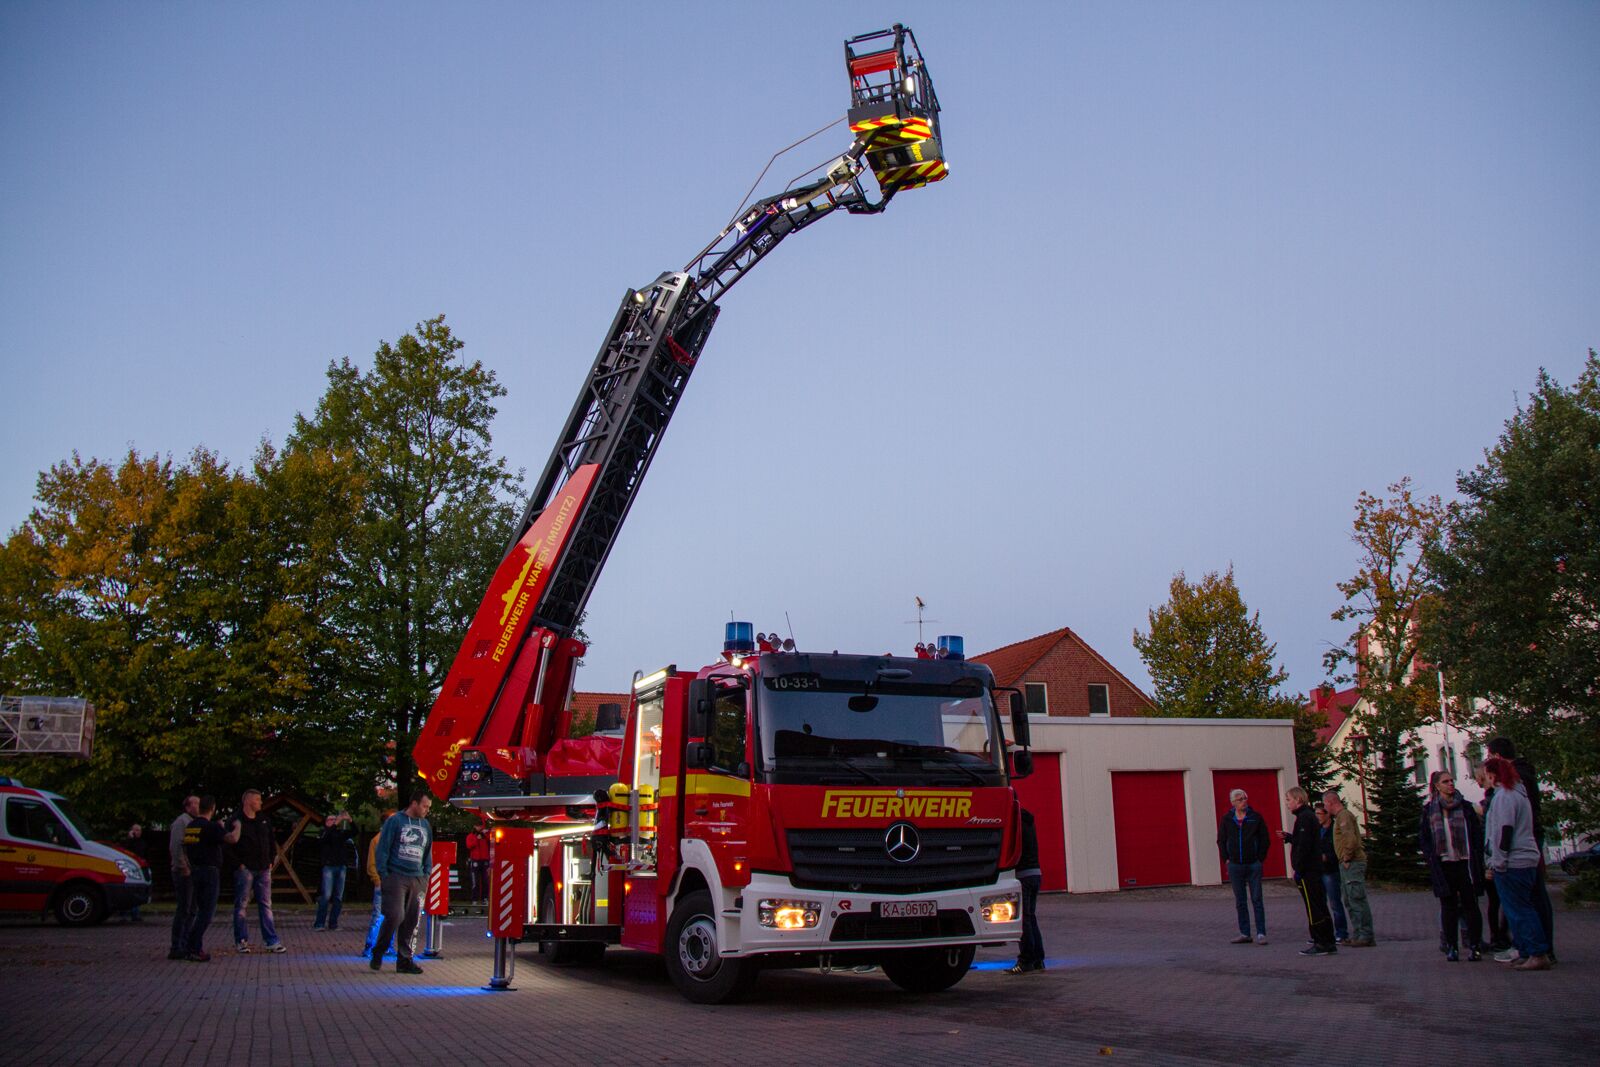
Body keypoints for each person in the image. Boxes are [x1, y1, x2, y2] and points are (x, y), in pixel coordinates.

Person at [1486, 738, 1554, 962]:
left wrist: (1499, 859)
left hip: (1516, 854)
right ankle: (1530, 948)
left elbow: (1504, 830)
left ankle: (1535, 950)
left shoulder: (1508, 793)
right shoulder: (1522, 786)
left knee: (1522, 905)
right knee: (1527, 902)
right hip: (1525, 847)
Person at [1419, 769, 1484, 962]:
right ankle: (1451, 946)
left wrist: (1478, 856)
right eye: (1445, 781)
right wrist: (1431, 857)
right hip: (1444, 862)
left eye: (1451, 781)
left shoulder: (1465, 808)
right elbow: (1424, 837)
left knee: (1470, 904)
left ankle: (1475, 945)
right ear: (1437, 786)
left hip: (1465, 861)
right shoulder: (1430, 810)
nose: (1450, 784)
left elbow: (1476, 833)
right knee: (1448, 906)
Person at [369, 792, 434, 975]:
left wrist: (426, 875)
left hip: (417, 877)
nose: (427, 810)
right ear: (414, 803)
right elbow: (383, 848)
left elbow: (427, 850)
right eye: (425, 806)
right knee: (396, 915)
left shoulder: (425, 825)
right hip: (396, 875)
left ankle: (404, 960)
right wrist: (384, 874)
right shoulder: (395, 821)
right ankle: (379, 950)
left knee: (412, 920)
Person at [181, 796, 239, 962]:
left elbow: (185, 848)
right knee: (207, 912)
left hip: (196, 870)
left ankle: (190, 945)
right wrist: (237, 827)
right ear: (212, 808)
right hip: (209, 871)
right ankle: (193, 947)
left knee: (199, 910)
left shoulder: (191, 826)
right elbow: (231, 839)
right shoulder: (210, 827)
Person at [1281, 786, 1336, 956]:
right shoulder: (1308, 817)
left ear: (1298, 800)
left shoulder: (1304, 818)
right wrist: (1291, 838)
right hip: (1314, 869)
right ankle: (1328, 940)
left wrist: (1298, 867)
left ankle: (1320, 941)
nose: (1287, 804)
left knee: (1313, 907)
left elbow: (1304, 846)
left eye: (1289, 800)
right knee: (1319, 904)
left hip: (1309, 871)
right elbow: (1303, 841)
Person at [230, 788, 284, 954]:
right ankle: (241, 940)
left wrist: (270, 860)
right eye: (258, 799)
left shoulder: (264, 821)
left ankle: (271, 940)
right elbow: (228, 845)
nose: (260, 802)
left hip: (263, 868)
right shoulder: (236, 820)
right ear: (248, 801)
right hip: (245, 868)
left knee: (266, 905)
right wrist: (239, 864)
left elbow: (271, 841)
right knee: (241, 904)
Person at [1216, 788, 1269, 945]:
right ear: (1233, 803)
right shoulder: (1227, 819)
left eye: (1245, 798)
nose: (1243, 801)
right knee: (1240, 900)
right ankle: (1245, 932)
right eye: (1240, 799)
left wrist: (1260, 858)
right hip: (1235, 865)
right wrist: (1226, 858)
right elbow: (1221, 840)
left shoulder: (1255, 817)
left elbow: (1264, 839)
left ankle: (1261, 933)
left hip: (1253, 864)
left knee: (1257, 898)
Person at [1322, 790, 1374, 947]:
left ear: (1331, 802)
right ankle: (1359, 934)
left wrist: (1346, 857)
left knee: (1356, 898)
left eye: (1325, 804)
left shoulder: (1344, 816)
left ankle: (1364, 934)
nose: (1325, 808)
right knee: (1349, 899)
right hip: (1346, 863)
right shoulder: (1339, 818)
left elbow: (1350, 839)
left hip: (1352, 862)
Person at [1472, 763, 1511, 951]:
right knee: (1497, 900)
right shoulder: (1493, 799)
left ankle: (1500, 934)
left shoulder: (1493, 799)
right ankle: (1499, 935)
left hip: (1492, 855)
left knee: (1498, 900)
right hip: (1491, 856)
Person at [1008, 807, 1046, 973]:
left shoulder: (1017, 825)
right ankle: (1038, 959)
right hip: (1035, 873)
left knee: (1023, 919)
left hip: (1023, 876)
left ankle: (1026, 960)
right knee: (1031, 917)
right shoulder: (1029, 823)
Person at [167, 795, 199, 961]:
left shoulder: (193, 822)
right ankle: (177, 945)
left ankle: (185, 944)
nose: (199, 806)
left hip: (192, 871)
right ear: (188, 806)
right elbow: (176, 846)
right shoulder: (181, 822)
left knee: (192, 909)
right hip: (183, 872)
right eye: (196, 803)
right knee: (184, 909)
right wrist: (183, 866)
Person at [314, 810, 357, 932]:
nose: (334, 821)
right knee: (326, 895)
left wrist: (350, 820)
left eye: (335, 819)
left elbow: (355, 832)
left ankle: (333, 923)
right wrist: (335, 824)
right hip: (328, 867)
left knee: (338, 896)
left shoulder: (340, 834)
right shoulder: (324, 833)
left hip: (341, 866)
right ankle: (319, 923)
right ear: (326, 822)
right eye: (331, 819)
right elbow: (325, 838)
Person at [363, 810, 396, 959]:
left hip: (395, 883)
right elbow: (372, 864)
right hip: (383, 883)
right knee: (379, 916)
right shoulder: (377, 840)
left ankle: (387, 946)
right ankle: (370, 947)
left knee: (393, 916)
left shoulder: (395, 839)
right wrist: (377, 880)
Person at [1313, 804, 1349, 944]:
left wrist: (1327, 857)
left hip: (1331, 870)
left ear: (1327, 814)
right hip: (1319, 870)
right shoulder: (1317, 830)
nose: (1317, 817)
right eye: (1315, 814)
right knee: (1320, 903)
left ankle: (1341, 932)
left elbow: (1339, 848)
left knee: (1335, 902)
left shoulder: (1334, 829)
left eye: (1319, 814)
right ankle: (1324, 933)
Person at [118, 824, 147, 922]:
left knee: (135, 892)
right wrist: (130, 839)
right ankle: (125, 914)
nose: (139, 832)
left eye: (140, 830)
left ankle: (135, 914)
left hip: (137, 869)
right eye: (137, 830)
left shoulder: (141, 842)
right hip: (128, 869)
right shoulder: (128, 842)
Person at [466, 824, 491, 904]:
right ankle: (474, 899)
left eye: (481, 826)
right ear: (474, 827)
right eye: (478, 826)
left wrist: (485, 834)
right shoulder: (471, 836)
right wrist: (477, 839)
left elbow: (491, 842)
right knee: (475, 882)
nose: (479, 828)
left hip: (485, 860)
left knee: (485, 881)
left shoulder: (486, 836)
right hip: (475, 860)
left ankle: (485, 898)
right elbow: (469, 846)